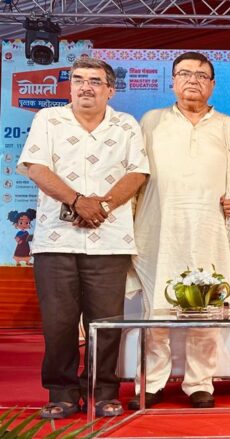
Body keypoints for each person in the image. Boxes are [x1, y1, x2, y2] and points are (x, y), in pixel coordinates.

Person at [17, 57, 149, 418]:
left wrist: (101, 206)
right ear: (71, 86)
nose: (85, 87)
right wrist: (77, 202)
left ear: (110, 90)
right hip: (56, 239)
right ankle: (61, 393)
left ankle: (103, 391)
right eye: (78, 80)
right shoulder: (48, 119)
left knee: (106, 322)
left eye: (94, 81)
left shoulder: (126, 124)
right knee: (58, 322)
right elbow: (36, 168)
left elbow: (138, 173)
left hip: (109, 238)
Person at [130, 51, 230, 409]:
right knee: (157, 311)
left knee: (206, 307)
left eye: (201, 75)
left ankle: (200, 383)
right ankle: (152, 382)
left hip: (210, 231)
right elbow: (133, 177)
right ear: (172, 81)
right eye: (184, 74)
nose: (192, 80)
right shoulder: (151, 122)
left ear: (212, 84)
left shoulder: (229, 127)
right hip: (158, 231)